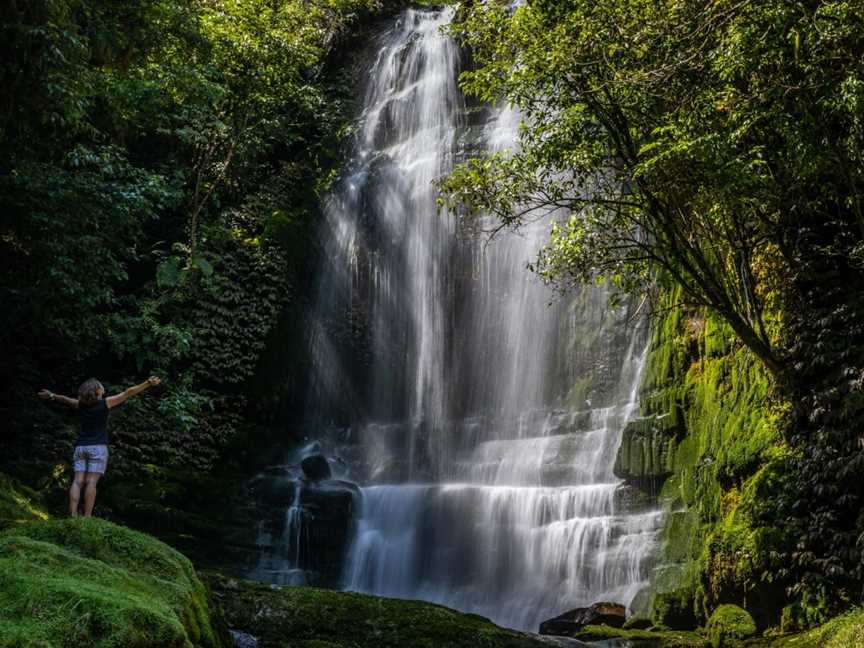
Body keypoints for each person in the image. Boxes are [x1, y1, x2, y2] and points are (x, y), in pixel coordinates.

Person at [37, 376, 161, 517]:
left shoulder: (79, 405)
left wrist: (51, 395)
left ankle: (72, 515)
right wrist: (147, 383)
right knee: (91, 482)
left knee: (77, 481)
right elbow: (128, 392)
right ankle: (87, 517)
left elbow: (64, 399)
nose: (104, 390)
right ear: (97, 391)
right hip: (98, 448)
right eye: (102, 388)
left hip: (81, 448)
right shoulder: (105, 404)